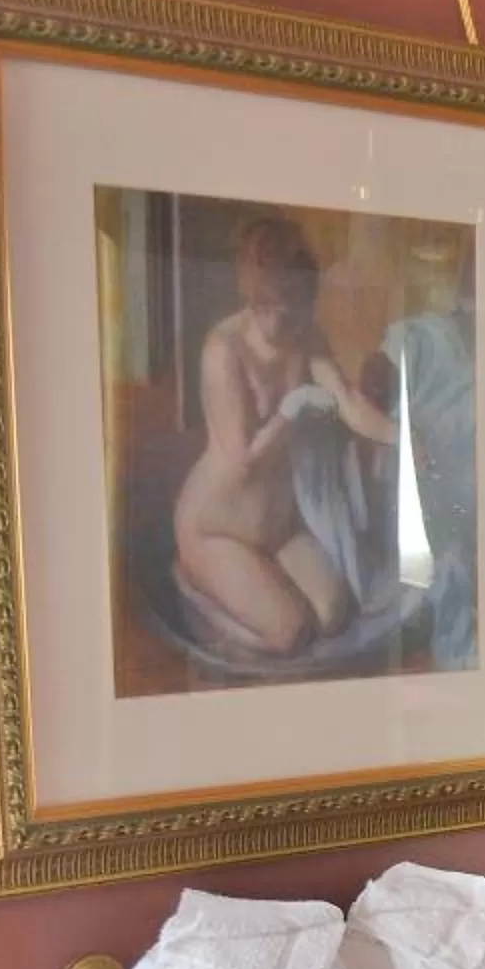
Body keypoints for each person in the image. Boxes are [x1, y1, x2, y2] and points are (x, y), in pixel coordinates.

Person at [173, 211, 396, 658]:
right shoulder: (224, 350)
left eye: (303, 300)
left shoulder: (305, 335)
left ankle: (250, 590)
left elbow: (349, 403)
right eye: (285, 303)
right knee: (291, 634)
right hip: (218, 526)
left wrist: (406, 438)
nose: (297, 314)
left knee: (335, 614)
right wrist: (293, 409)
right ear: (257, 299)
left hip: (278, 526)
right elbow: (242, 459)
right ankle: (199, 590)